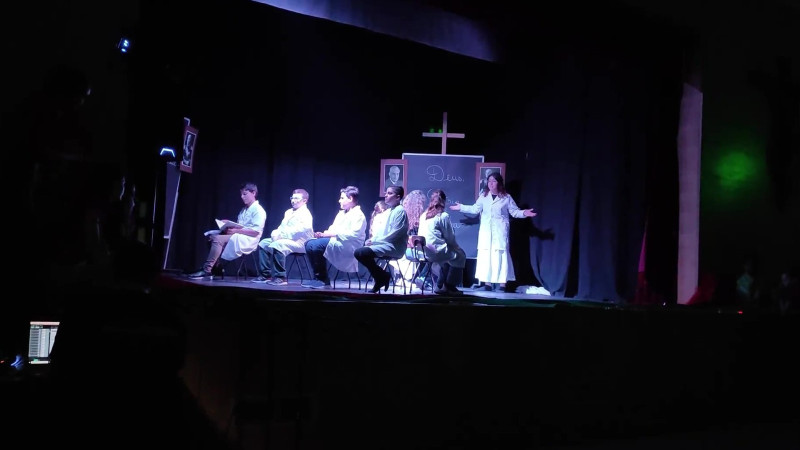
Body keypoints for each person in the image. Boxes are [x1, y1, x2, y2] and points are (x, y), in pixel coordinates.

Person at [450, 172, 536, 292]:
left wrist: (524, 213)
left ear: (499, 183)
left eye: (494, 181)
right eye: (489, 181)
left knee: (500, 256)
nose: (491, 183)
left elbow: (514, 212)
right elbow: (475, 209)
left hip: (500, 232)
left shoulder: (506, 198)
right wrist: (461, 207)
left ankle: (502, 285)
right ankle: (487, 285)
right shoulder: (484, 196)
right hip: (486, 232)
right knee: (486, 256)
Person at [188, 182, 266, 279]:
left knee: (218, 239)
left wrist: (236, 231)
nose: (242, 197)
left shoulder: (259, 210)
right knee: (211, 237)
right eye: (241, 194)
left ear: (253, 193)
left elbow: (255, 232)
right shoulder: (244, 210)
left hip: (249, 239)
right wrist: (228, 224)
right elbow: (241, 226)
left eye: (245, 194)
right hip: (240, 235)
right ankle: (215, 267)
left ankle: (207, 270)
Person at [303, 186, 367, 289]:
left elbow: (352, 235)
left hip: (349, 246)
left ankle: (323, 279)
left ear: (350, 198)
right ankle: (317, 277)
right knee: (309, 244)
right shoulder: (341, 214)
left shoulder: (358, 215)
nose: (339, 200)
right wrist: (323, 234)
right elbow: (333, 228)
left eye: (342, 198)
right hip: (337, 241)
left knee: (317, 245)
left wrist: (330, 234)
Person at [252, 188, 314, 285]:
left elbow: (301, 230)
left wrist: (282, 236)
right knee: (264, 243)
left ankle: (280, 277)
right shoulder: (288, 212)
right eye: (292, 198)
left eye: (296, 198)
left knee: (278, 244)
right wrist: (276, 234)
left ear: (304, 201)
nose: (293, 201)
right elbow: (281, 227)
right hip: (286, 239)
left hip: (301, 242)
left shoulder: (306, 214)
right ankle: (266, 274)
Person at [354, 186, 409, 293]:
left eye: (390, 193)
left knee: (362, 253)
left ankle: (381, 277)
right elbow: (381, 230)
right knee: (359, 252)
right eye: (386, 193)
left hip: (394, 246)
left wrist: (376, 241)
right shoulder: (389, 211)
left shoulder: (400, 211)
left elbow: (395, 233)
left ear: (398, 197)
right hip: (385, 244)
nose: (386, 195)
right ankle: (382, 276)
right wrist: (372, 239)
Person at [418, 189, 466, 295]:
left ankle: (440, 284)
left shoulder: (423, 215)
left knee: (449, 257)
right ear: (444, 201)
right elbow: (449, 237)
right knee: (460, 255)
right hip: (436, 251)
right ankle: (450, 286)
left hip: (423, 251)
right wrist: (456, 247)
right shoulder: (443, 216)